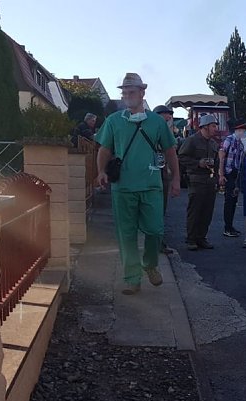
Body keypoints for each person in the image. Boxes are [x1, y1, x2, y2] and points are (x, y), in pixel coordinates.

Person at [95, 73, 180, 295]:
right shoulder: (114, 121)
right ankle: (132, 278)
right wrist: (101, 171)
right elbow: (104, 149)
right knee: (127, 235)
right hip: (123, 187)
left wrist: (176, 179)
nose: (127, 96)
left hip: (152, 186)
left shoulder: (156, 122)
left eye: (132, 91)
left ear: (142, 93)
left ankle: (149, 264)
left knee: (155, 231)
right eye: (124, 92)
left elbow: (170, 151)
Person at [179, 114, 221, 251]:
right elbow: (181, 157)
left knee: (207, 211)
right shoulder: (192, 140)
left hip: (209, 181)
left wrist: (217, 178)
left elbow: (216, 162)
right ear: (205, 127)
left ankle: (201, 237)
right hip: (196, 180)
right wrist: (198, 163)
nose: (215, 129)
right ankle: (191, 239)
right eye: (213, 126)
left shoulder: (213, 143)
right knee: (195, 210)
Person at [153, 104, 178, 254]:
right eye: (166, 115)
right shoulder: (154, 130)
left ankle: (159, 242)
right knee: (155, 210)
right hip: (153, 174)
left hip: (161, 174)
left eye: (169, 116)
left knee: (161, 210)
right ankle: (156, 243)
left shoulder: (165, 131)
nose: (169, 118)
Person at [218, 120, 246, 237]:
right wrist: (221, 174)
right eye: (242, 131)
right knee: (229, 201)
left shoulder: (240, 143)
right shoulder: (229, 140)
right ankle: (227, 227)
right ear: (238, 130)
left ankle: (230, 226)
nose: (244, 133)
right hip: (229, 173)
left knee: (233, 200)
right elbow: (222, 156)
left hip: (236, 174)